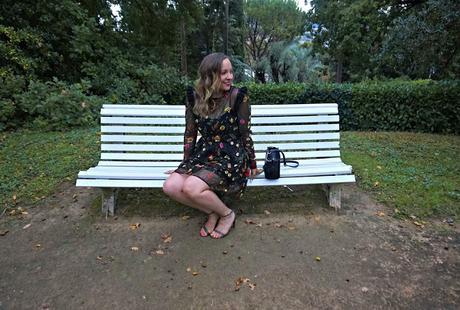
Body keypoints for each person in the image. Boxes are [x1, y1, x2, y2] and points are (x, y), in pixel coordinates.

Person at [162, 53, 260, 239]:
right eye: (224, 72)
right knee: (171, 186)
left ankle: (226, 214)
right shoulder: (194, 97)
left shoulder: (237, 97)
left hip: (231, 156)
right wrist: (185, 165)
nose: (230, 76)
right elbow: (190, 133)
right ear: (209, 75)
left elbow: (245, 133)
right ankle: (212, 210)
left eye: (231, 72)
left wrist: (253, 164)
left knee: (191, 187)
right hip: (204, 153)